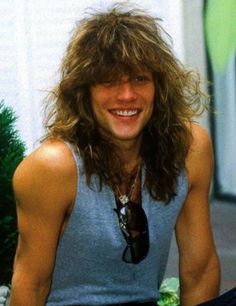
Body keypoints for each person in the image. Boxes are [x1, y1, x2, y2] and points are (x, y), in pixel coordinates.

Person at [9, 4, 221, 306]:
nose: (126, 95)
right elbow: (32, 284)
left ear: (160, 86)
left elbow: (199, 270)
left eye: (139, 78)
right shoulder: (53, 167)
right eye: (107, 80)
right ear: (84, 92)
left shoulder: (189, 149)